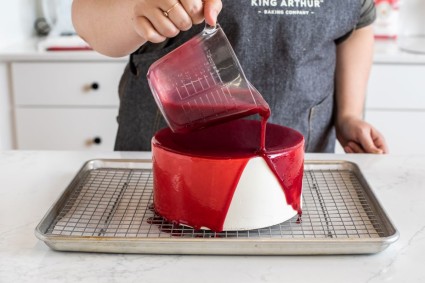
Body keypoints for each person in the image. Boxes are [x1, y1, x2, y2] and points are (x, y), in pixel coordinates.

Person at [72, 0, 388, 154]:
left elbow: (358, 24)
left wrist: (348, 115)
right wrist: (133, 10)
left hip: (298, 169)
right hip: (162, 168)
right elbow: (87, 18)